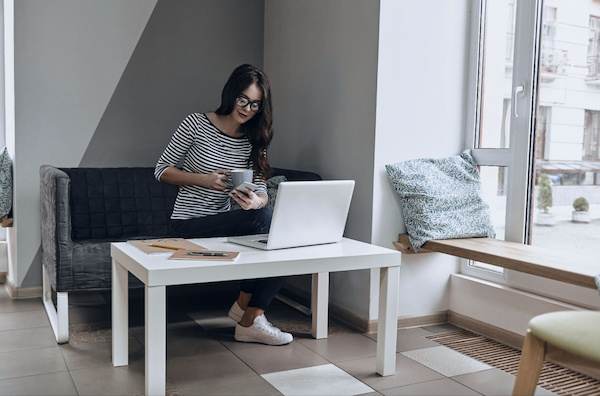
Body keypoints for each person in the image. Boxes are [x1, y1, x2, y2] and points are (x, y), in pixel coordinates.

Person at [154, 64, 292, 346]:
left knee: (282, 230)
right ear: (231, 93)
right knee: (266, 221)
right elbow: (161, 170)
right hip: (188, 225)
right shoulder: (196, 123)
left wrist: (256, 200)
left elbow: (262, 190)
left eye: (256, 104)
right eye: (243, 99)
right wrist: (203, 180)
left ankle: (250, 313)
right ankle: (247, 313)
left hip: (228, 225)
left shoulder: (255, 138)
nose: (248, 109)